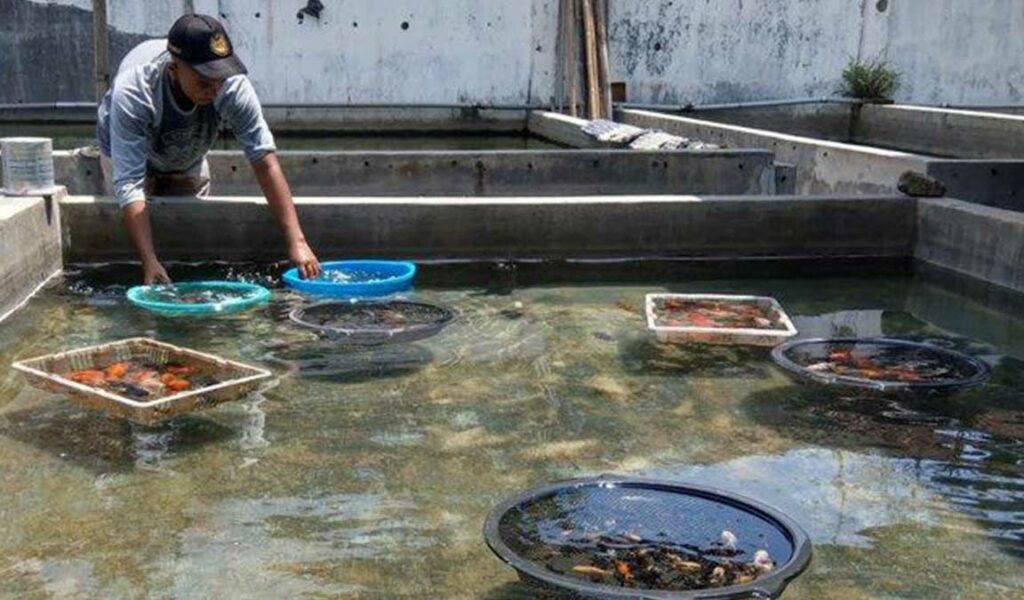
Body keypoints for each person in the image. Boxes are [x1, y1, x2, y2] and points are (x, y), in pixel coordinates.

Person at [96, 13, 321, 283]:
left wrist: (297, 241)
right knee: (133, 234)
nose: (214, 89)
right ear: (173, 69)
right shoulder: (135, 91)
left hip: (188, 148)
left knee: (187, 228)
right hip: (127, 148)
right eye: (204, 81)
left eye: (220, 79)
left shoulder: (232, 87)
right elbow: (129, 184)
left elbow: (264, 160)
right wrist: (149, 261)